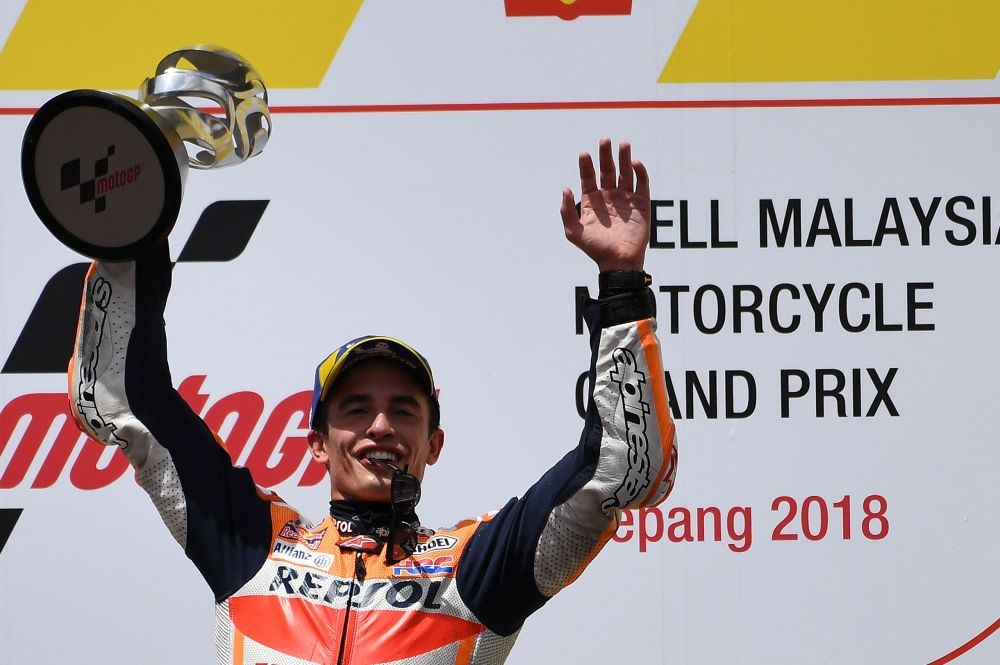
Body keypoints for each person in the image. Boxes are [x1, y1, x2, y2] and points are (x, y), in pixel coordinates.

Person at [69, 138, 678, 665]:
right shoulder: (251, 544)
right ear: (317, 441)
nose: (380, 426)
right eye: (355, 408)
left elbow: (622, 469)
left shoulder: (476, 570)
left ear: (434, 444)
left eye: (404, 410)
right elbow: (125, 397)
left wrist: (621, 286)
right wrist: (137, 220)